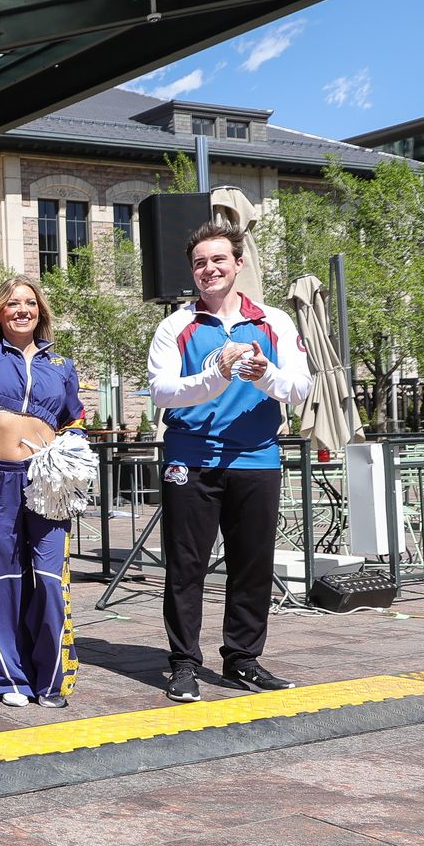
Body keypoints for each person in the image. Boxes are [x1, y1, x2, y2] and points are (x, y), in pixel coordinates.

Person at [147, 221, 310, 703]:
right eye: (200, 262)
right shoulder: (175, 325)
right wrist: (215, 376)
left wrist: (265, 376)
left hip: (257, 458)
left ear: (238, 264)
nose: (209, 269)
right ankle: (183, 663)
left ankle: (242, 659)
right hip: (190, 458)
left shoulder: (274, 321)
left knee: (252, 565)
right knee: (185, 567)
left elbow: (301, 389)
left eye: (219, 260)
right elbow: (161, 392)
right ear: (192, 271)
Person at [0, 221, 87, 707]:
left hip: (47, 485)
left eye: (30, 303)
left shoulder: (61, 366)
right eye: (14, 303)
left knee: (50, 581)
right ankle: (9, 679)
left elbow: (74, 420)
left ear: (41, 312)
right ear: (0, 313)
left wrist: (72, 455)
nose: (23, 309)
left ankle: (51, 681)